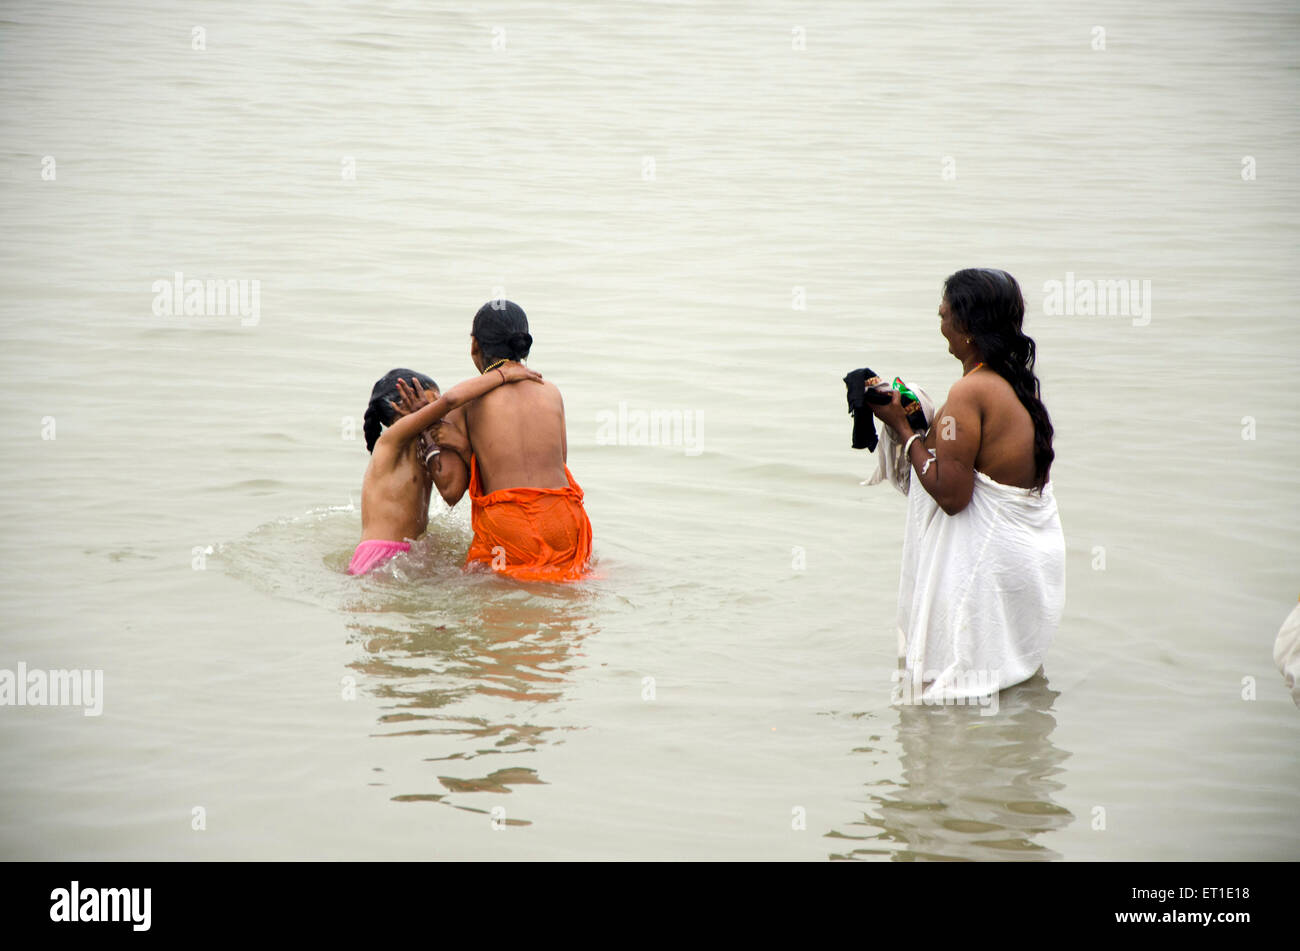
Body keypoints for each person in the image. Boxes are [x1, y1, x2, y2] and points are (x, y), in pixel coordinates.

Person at [869, 268, 1065, 700]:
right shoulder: (1016, 386)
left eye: (945, 313)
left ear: (967, 326)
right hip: (1030, 564)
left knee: (949, 696)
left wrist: (904, 430)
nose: (939, 320)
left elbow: (952, 494)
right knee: (1003, 691)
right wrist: (922, 420)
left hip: (992, 566)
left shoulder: (969, 391)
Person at [429, 300, 593, 582]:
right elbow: (559, 462)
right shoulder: (551, 391)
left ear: (474, 347)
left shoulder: (467, 401)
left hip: (509, 525)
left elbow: (451, 491)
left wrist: (447, 443)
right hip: (565, 519)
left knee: (497, 614)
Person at [349, 363, 542, 576]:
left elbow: (454, 491)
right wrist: (502, 374)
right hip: (381, 556)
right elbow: (451, 402)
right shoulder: (390, 441)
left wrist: (462, 445)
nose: (440, 415)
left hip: (408, 554)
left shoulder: (424, 444)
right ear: (401, 406)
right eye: (432, 403)